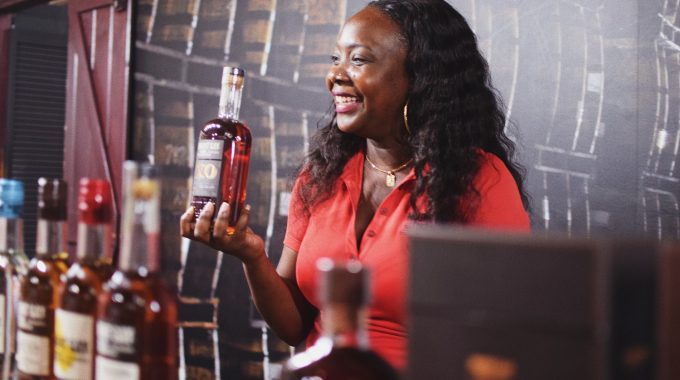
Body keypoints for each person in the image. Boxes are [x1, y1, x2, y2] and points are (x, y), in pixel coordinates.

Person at [180, 0, 530, 372]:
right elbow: (295, 325)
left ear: (419, 77)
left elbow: (509, 335)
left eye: (358, 60)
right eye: (336, 59)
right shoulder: (321, 174)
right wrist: (251, 255)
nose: (335, 75)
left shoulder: (478, 179)